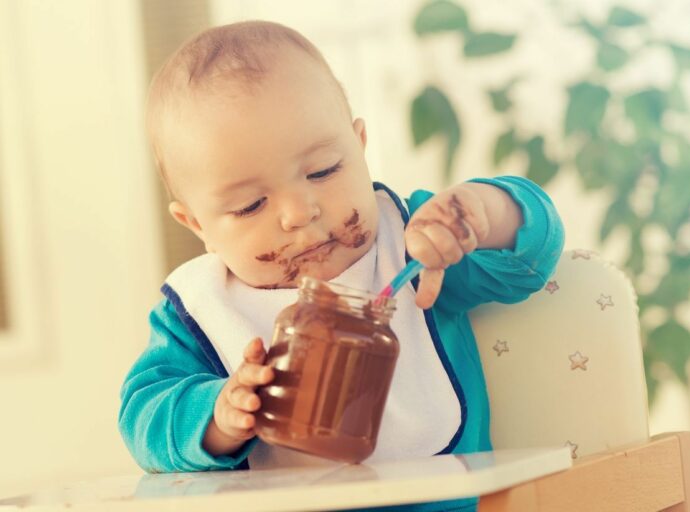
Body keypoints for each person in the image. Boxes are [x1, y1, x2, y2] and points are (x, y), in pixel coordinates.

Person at [119, 20, 565, 511]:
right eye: (250, 206)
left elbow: (529, 258)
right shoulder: (200, 310)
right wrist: (219, 416)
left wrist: (482, 213)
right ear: (196, 224)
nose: (299, 213)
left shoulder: (413, 247)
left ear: (360, 146)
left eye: (323, 170)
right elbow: (143, 416)